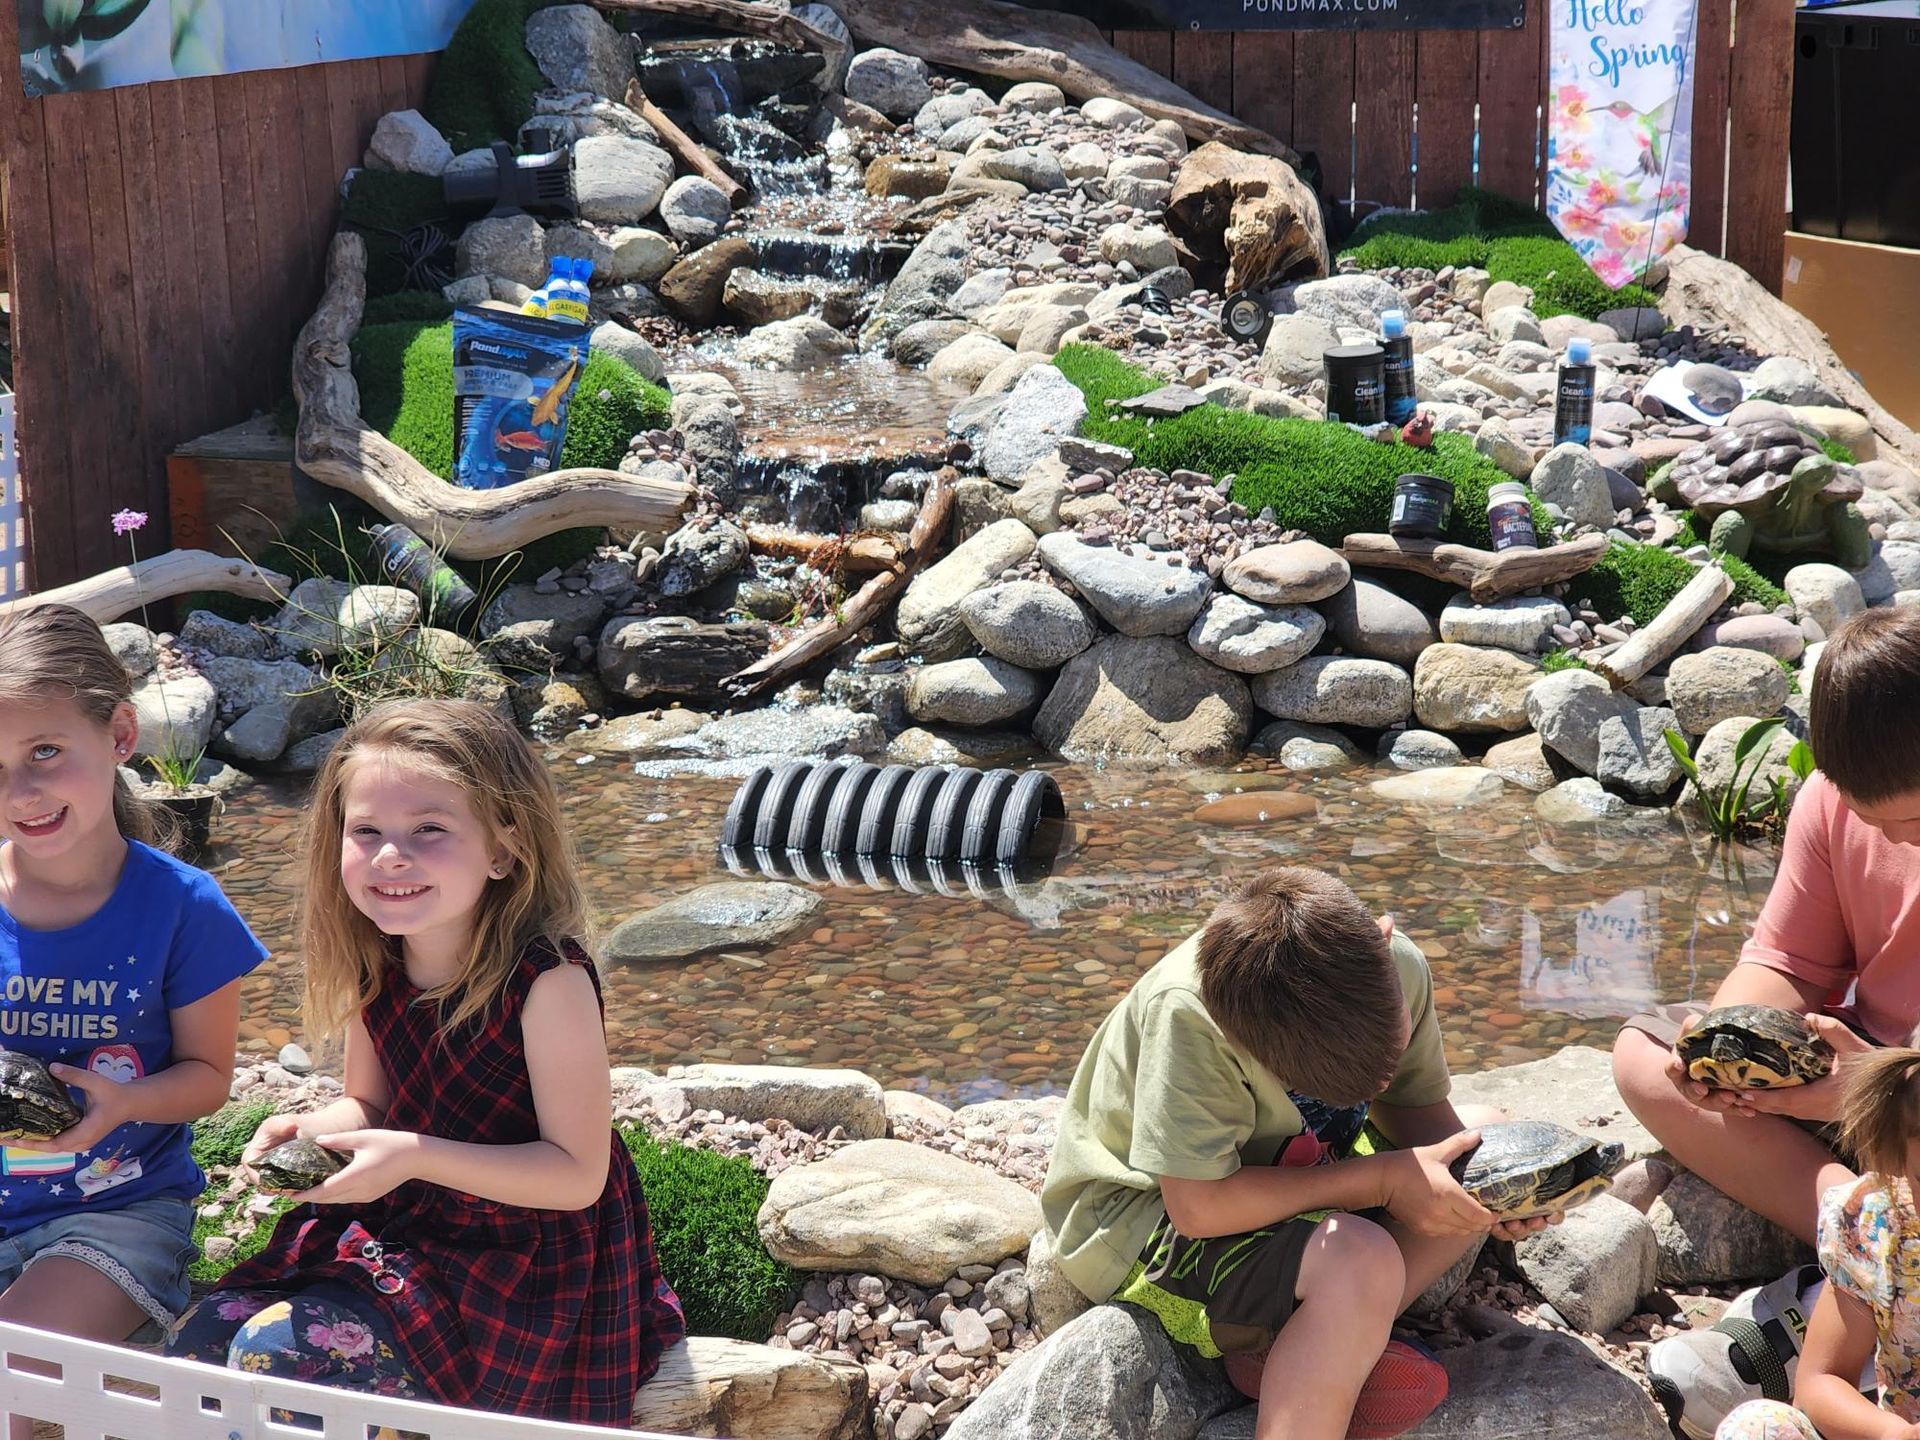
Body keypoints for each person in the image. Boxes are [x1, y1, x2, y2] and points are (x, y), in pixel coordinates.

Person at [168, 699, 685, 1424]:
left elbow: (576, 1175)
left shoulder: (548, 980)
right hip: (410, 1224)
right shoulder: (379, 960)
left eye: (430, 831)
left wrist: (411, 1156)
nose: (390, 856)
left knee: (278, 1358)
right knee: (203, 1339)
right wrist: (318, 1130)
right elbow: (369, 1104)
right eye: (367, 830)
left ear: (504, 849)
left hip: (521, 1258)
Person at [1040, 867, 1554, 1440]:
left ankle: (1309, 1344)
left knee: (1483, 1145)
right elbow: (1198, 1206)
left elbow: (1419, 1117)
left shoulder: (1394, 964)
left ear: (1381, 939)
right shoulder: (1191, 1016)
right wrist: (1382, 1181)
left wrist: (1497, 1192)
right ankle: (1318, 1356)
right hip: (1146, 1209)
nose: (1370, 1090)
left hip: (1287, 1175)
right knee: (1360, 1261)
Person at [0, 605, 266, 1440]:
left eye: (46, 751)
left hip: (116, 1215)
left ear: (119, 735)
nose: (21, 793)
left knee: (15, 1387)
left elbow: (208, 1080)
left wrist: (122, 1104)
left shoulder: (185, 908)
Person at [1612, 606, 1920, 1250]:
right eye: (1872, 817)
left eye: (1913, 822)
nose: (1892, 838)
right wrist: (1723, 1052)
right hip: (1862, 1069)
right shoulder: (1827, 801)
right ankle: (1860, 1231)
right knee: (1645, 1059)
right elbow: (1790, 962)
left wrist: (1880, 1093)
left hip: (1900, 1090)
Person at [1714, 1044, 1920, 1440]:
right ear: (1895, 1155)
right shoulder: (1880, 1227)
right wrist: (1894, 1434)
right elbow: (1820, 1382)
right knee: (1757, 1427)